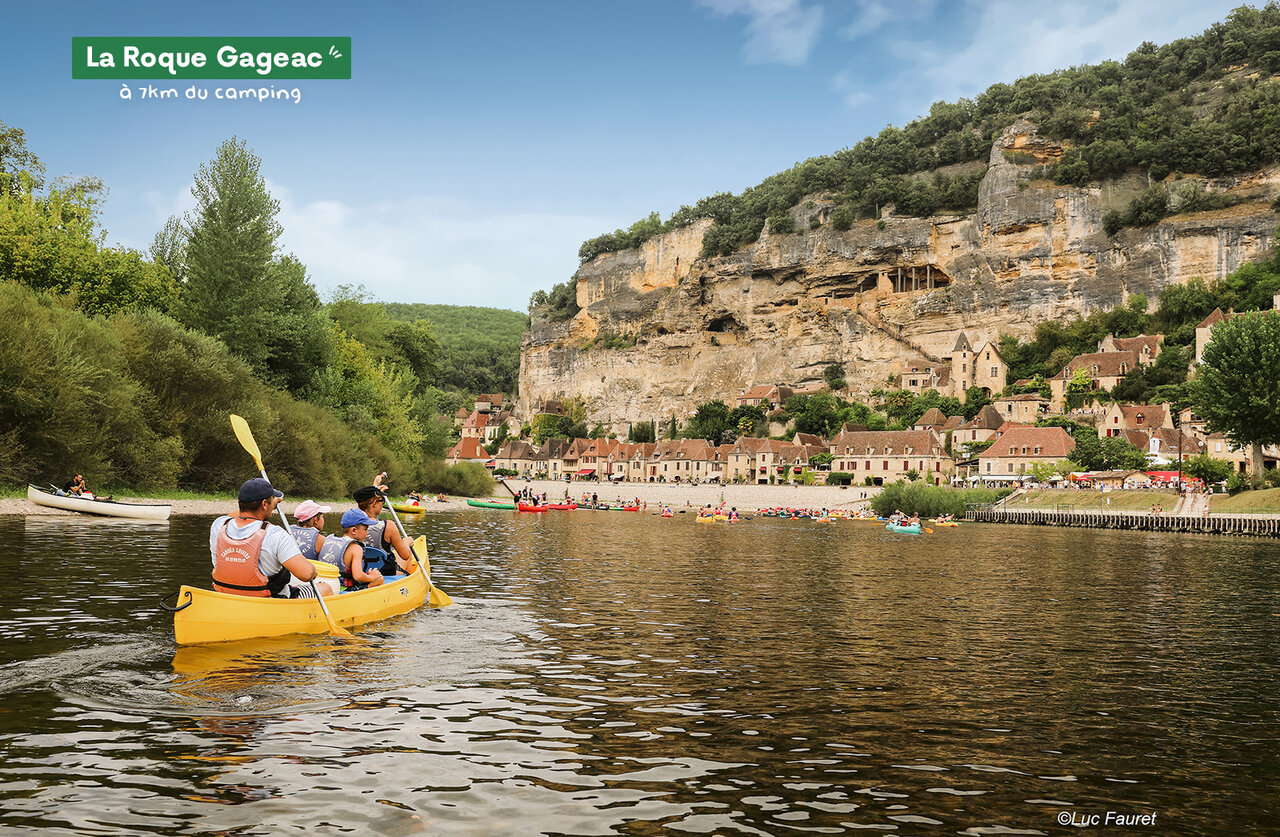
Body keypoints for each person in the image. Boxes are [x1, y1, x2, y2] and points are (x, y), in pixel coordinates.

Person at [210, 478, 332, 599]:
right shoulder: (276, 534)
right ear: (264, 504)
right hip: (270, 602)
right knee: (325, 588)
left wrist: (263, 504)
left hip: (228, 597)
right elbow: (306, 574)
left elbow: (236, 515)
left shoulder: (219, 525)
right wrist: (313, 570)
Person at [315, 508, 385, 590]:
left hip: (323, 583)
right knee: (379, 579)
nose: (367, 532)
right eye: (365, 529)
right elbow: (358, 576)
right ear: (354, 530)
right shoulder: (356, 548)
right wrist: (372, 577)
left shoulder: (329, 541)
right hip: (343, 588)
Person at [353, 483, 414, 576]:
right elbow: (405, 555)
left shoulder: (351, 524)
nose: (383, 504)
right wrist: (406, 542)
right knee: (408, 553)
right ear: (375, 503)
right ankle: (407, 580)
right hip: (385, 573)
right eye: (382, 501)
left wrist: (375, 489)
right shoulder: (388, 526)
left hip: (361, 571)